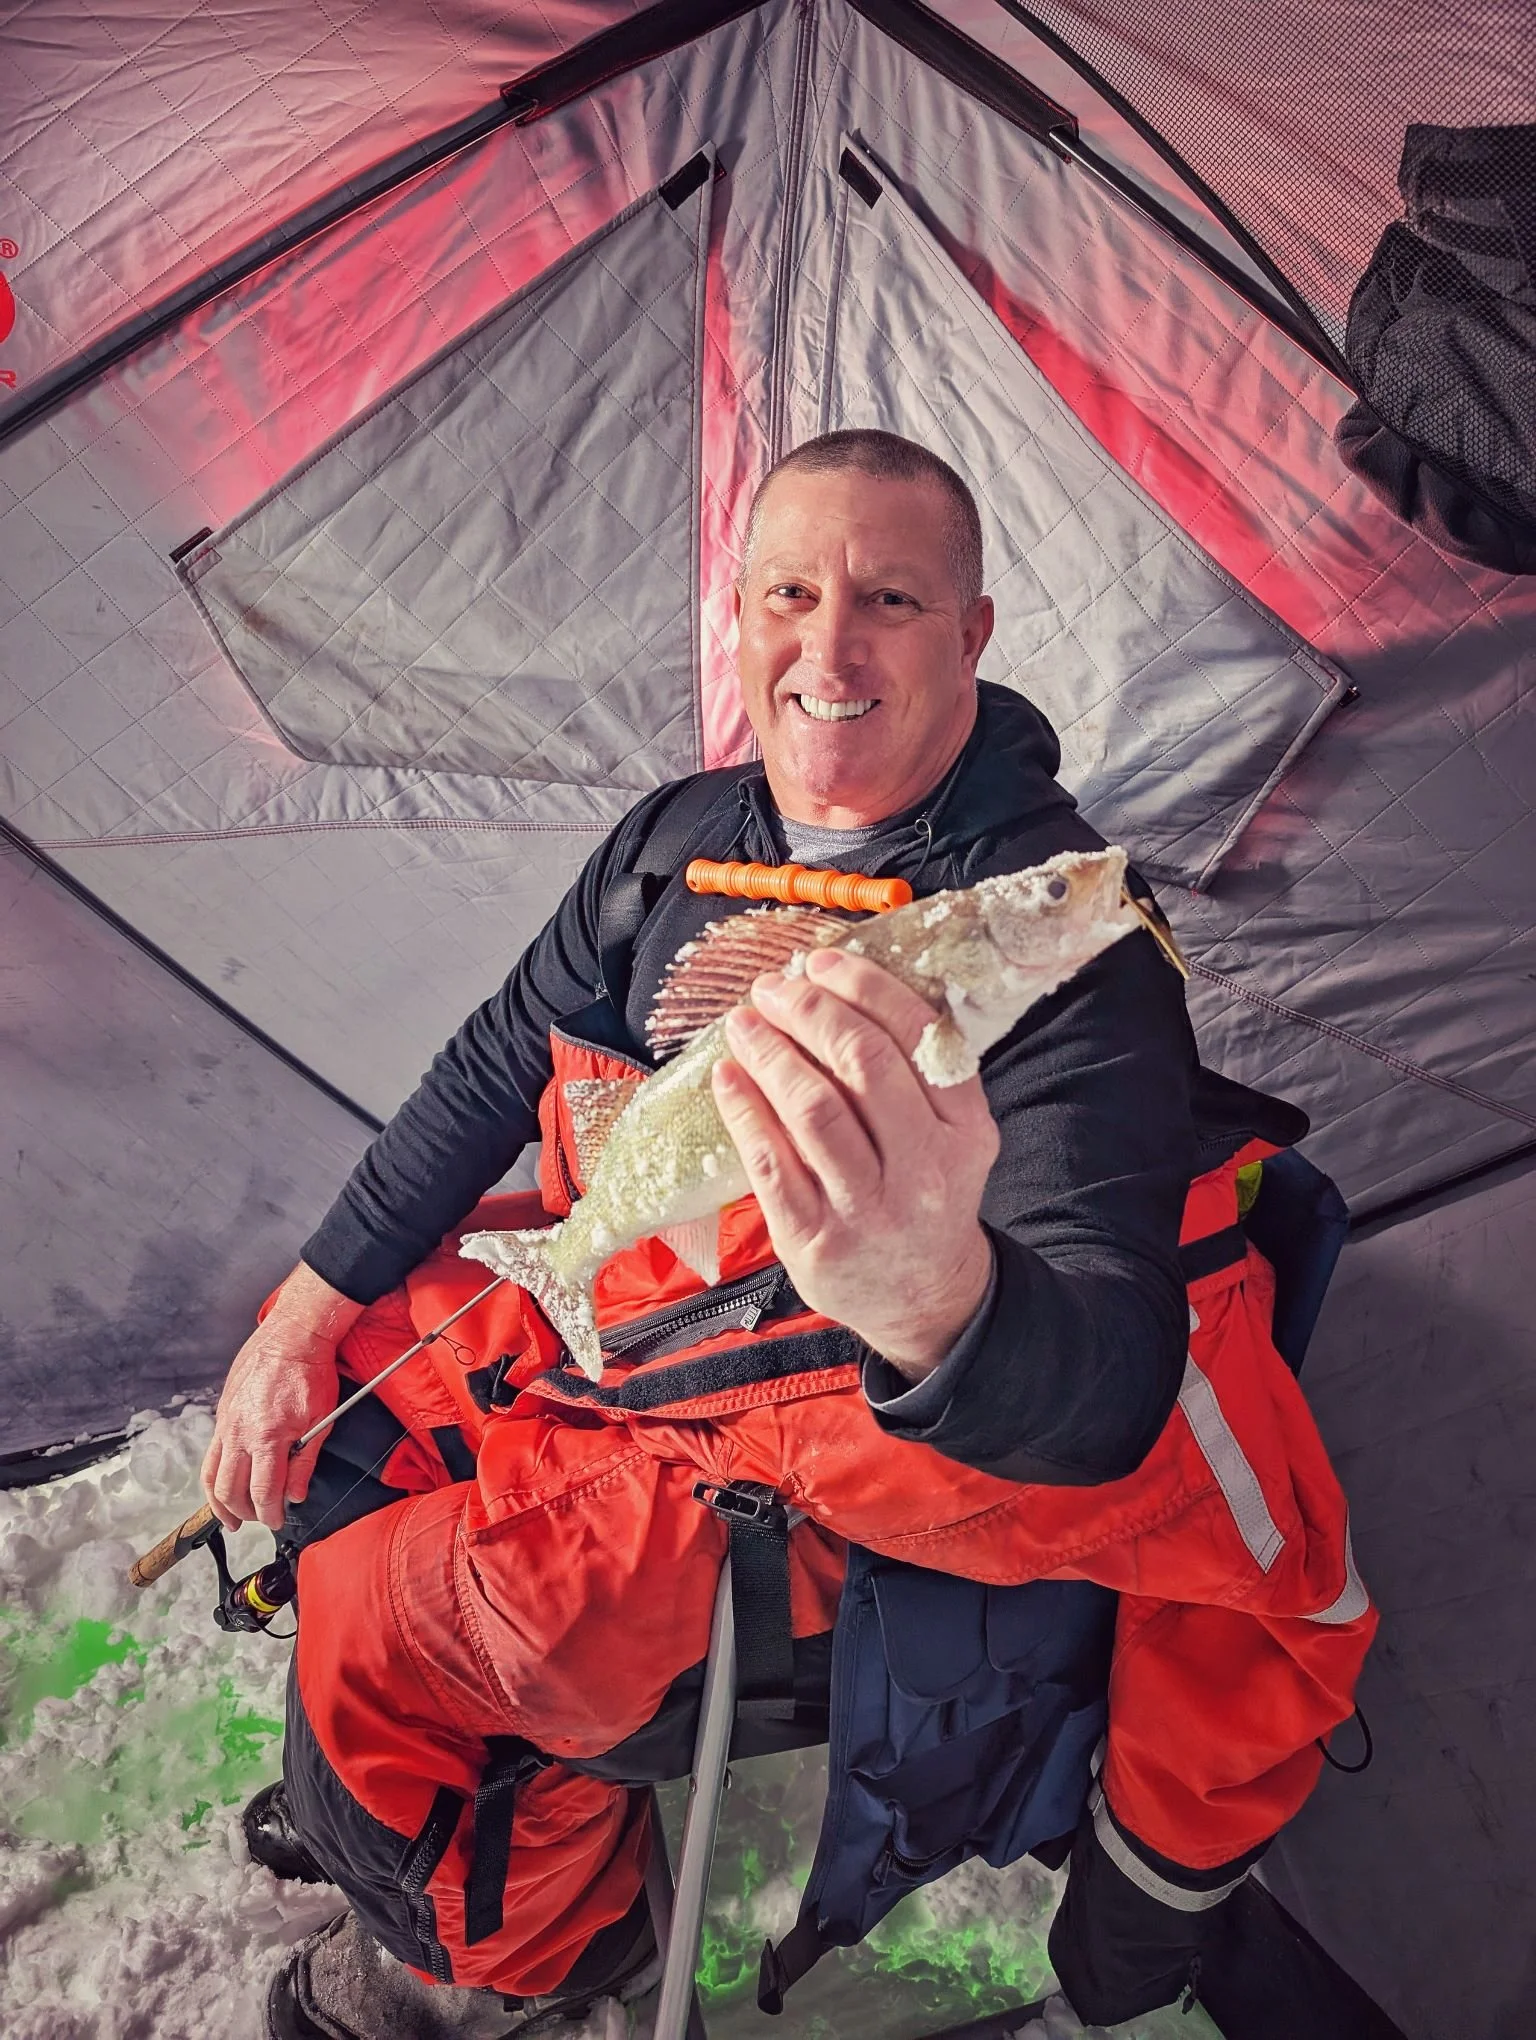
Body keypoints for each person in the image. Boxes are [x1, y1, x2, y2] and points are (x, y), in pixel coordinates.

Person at [205, 431, 1374, 2040]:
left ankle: (515, 1953)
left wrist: (936, 1296)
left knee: (382, 1623)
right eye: (791, 596)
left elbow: (1107, 1375)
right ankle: (405, 1814)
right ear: (739, 615)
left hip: (809, 1453)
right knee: (348, 1389)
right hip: (654, 1312)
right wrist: (301, 1309)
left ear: (971, 632)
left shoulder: (1048, 942)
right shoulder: (672, 843)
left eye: (889, 599)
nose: (830, 650)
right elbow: (490, 1064)